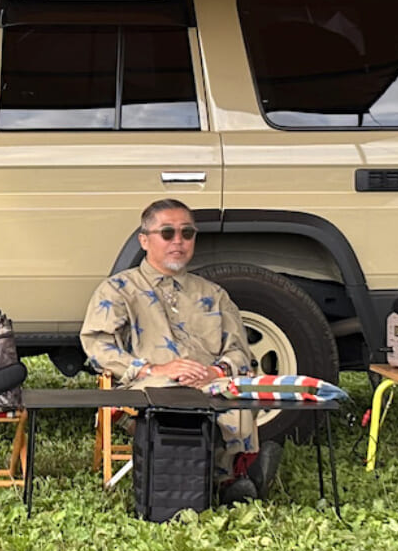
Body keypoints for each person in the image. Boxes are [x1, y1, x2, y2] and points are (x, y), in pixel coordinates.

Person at [79, 198, 278, 504]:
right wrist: (154, 370)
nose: (178, 241)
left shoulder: (213, 294)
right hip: (149, 385)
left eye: (187, 233)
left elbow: (239, 350)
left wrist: (216, 371)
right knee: (178, 399)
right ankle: (228, 478)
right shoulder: (118, 290)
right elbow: (97, 346)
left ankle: (230, 479)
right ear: (144, 240)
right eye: (167, 233)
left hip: (210, 382)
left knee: (236, 393)